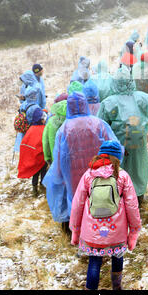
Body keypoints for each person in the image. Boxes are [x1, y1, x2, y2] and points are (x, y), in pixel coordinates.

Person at [43, 92, 121, 233]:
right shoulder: (98, 123)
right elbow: (113, 146)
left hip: (74, 173)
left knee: (78, 201)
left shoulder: (64, 128)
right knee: (99, 196)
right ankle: (102, 229)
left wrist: (59, 175)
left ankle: (80, 233)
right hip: (98, 169)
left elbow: (60, 156)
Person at [69, 141, 141, 291]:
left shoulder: (88, 175)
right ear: (117, 157)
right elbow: (132, 206)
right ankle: (117, 286)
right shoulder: (122, 176)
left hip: (92, 231)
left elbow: (77, 204)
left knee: (94, 262)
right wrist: (133, 232)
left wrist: (75, 231)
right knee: (117, 257)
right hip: (117, 232)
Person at [98, 66, 148, 205]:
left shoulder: (108, 103)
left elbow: (99, 129)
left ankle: (119, 202)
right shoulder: (143, 98)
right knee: (138, 168)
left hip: (116, 148)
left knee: (118, 170)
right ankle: (138, 199)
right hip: (138, 143)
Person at [18, 107, 48, 197]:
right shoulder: (44, 129)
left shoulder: (30, 129)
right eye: (43, 119)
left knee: (35, 174)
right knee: (43, 173)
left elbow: (25, 144)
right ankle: (42, 187)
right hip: (42, 158)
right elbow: (46, 143)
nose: (44, 120)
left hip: (34, 159)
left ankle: (34, 189)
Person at [42, 100, 67, 165]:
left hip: (55, 161)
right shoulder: (72, 121)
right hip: (71, 162)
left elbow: (45, 141)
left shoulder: (51, 121)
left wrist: (47, 157)